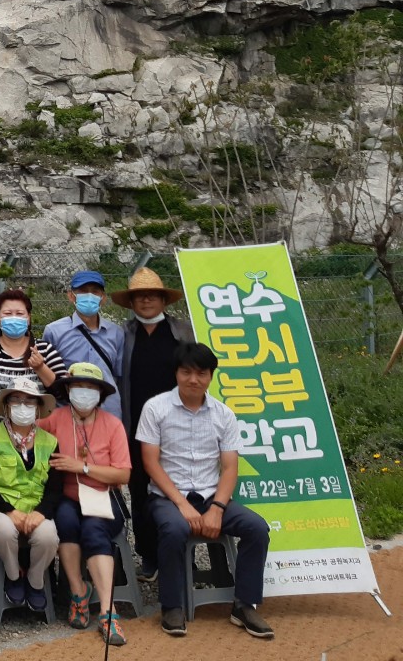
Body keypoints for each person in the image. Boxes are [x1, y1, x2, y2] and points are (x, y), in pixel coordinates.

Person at [137, 343, 273, 640]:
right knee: (173, 530)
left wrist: (217, 508)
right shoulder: (155, 408)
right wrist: (182, 504)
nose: (193, 380)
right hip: (167, 497)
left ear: (211, 376)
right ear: (176, 373)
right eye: (186, 372)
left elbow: (230, 469)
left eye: (201, 373)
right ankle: (172, 606)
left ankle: (244, 605)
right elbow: (150, 463)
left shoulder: (224, 414)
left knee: (257, 528)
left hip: (211, 496)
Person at [38, 363, 131, 646]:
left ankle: (107, 610)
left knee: (93, 529)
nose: (84, 393)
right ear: (68, 389)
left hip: (103, 500)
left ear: (101, 394)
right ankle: (79, 592)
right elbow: (26, 435)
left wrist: (83, 467)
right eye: (78, 387)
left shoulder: (112, 424)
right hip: (67, 496)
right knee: (65, 521)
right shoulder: (56, 418)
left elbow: (123, 474)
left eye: (91, 388)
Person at [113, 267, 195, 581]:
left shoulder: (182, 331)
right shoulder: (124, 334)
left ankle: (183, 552)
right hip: (136, 425)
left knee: (182, 484)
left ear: (163, 299)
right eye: (138, 296)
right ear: (131, 302)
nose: (146, 300)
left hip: (178, 423)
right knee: (140, 489)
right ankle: (149, 554)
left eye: (152, 294)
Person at [0, 377, 62, 615]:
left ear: (38, 408)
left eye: (29, 401)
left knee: (48, 536)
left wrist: (41, 513)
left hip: (35, 508)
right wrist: (10, 511)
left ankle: (35, 582)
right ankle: (13, 576)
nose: (23, 406)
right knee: (4, 530)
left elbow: (55, 488)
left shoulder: (50, 442)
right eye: (17, 400)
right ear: (7, 406)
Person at [0, 289, 64, 432]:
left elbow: (61, 391)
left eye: (20, 313)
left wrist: (41, 368)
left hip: (38, 435)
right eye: (8, 314)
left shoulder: (44, 349)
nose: (14, 318)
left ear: (28, 317)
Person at [40, 271, 124, 419]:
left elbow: (118, 376)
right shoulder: (54, 331)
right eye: (83, 291)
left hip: (108, 412)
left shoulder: (116, 333)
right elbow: (47, 375)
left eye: (95, 292)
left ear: (103, 298)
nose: (89, 296)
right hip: (68, 413)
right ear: (71, 296)